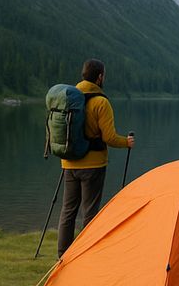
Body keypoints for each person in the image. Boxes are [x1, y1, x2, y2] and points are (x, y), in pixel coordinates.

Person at [56, 58, 134, 257]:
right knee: (90, 211)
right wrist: (126, 142)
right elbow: (108, 137)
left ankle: (63, 254)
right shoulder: (101, 102)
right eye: (103, 75)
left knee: (68, 210)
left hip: (69, 162)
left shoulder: (69, 98)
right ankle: (87, 255)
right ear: (100, 77)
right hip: (93, 165)